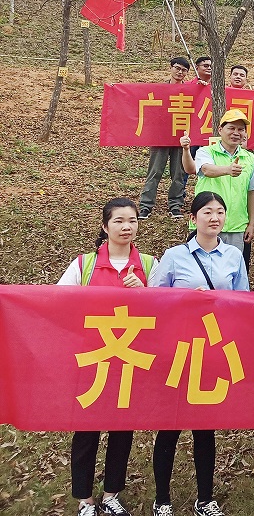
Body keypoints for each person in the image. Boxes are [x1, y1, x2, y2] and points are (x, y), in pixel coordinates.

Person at [149, 192, 249, 516]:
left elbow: (243, 302)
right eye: (207, 212)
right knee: (170, 427)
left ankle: (205, 498)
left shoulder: (234, 255)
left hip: (213, 352)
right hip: (179, 350)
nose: (215, 218)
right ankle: (162, 499)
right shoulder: (174, 256)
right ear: (193, 219)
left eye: (220, 212)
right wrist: (186, 299)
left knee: (205, 428)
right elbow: (153, 301)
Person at [58, 198, 155, 516]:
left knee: (122, 430)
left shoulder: (149, 265)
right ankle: (85, 499)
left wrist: (144, 291)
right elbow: (57, 303)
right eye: (119, 221)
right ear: (105, 226)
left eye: (132, 220)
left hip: (129, 361)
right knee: (86, 431)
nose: (127, 227)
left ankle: (112, 493)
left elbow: (165, 311)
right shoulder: (84, 265)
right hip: (92, 359)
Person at [180, 109, 254, 258]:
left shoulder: (249, 158)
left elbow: (252, 192)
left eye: (241, 129)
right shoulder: (206, 152)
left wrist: (251, 223)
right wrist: (227, 170)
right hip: (206, 224)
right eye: (231, 128)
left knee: (232, 268)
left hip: (236, 227)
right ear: (220, 130)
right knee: (202, 267)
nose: (236, 133)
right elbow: (206, 169)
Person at [138, 57, 190, 220]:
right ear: (171, 68)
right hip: (160, 137)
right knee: (154, 171)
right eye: (177, 68)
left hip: (180, 138)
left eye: (184, 70)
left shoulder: (189, 90)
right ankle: (146, 206)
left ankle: (175, 205)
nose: (180, 72)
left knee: (178, 173)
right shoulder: (159, 89)